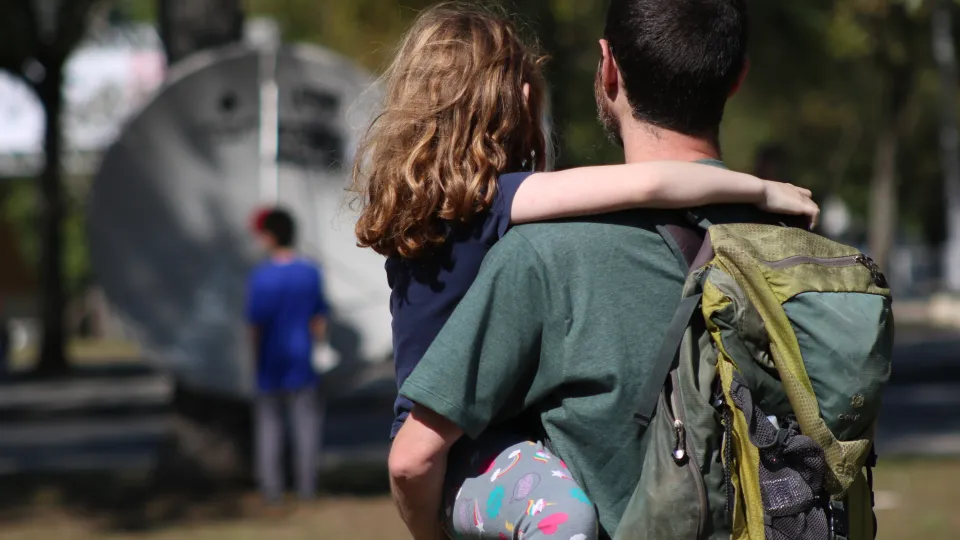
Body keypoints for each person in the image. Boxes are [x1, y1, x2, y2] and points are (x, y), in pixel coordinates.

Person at [350, 4, 817, 539]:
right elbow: (645, 186)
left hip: (470, 444)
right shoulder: (495, 204)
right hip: (463, 450)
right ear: (521, 101)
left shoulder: (427, 213)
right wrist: (756, 188)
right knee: (563, 516)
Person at [246, 207, 329, 504]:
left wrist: (255, 361)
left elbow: (255, 325)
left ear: (270, 236)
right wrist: (321, 350)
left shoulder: (260, 277)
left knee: (270, 428)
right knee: (306, 426)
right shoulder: (310, 272)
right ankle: (307, 487)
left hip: (270, 363)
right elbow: (318, 320)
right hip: (302, 359)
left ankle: (272, 489)